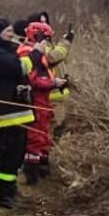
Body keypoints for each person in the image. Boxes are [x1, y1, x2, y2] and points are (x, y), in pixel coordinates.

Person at [0, 18, 35, 211]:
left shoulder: (5, 49)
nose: (11, 34)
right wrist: (36, 53)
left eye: (11, 31)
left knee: (17, 153)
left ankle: (11, 189)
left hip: (17, 109)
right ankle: (4, 195)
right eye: (7, 31)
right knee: (9, 154)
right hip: (7, 111)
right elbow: (18, 68)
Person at [19, 20, 66, 184]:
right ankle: (32, 176)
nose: (47, 43)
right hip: (35, 101)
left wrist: (54, 82)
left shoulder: (36, 52)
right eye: (46, 39)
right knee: (35, 138)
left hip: (42, 101)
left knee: (43, 136)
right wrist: (53, 84)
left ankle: (42, 170)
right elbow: (33, 80)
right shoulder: (28, 53)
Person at [31, 11, 75, 139]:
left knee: (60, 127)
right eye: (41, 23)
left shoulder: (49, 43)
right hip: (49, 96)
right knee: (50, 129)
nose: (44, 26)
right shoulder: (37, 45)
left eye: (46, 23)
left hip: (60, 94)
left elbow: (58, 64)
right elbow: (51, 58)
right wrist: (65, 42)